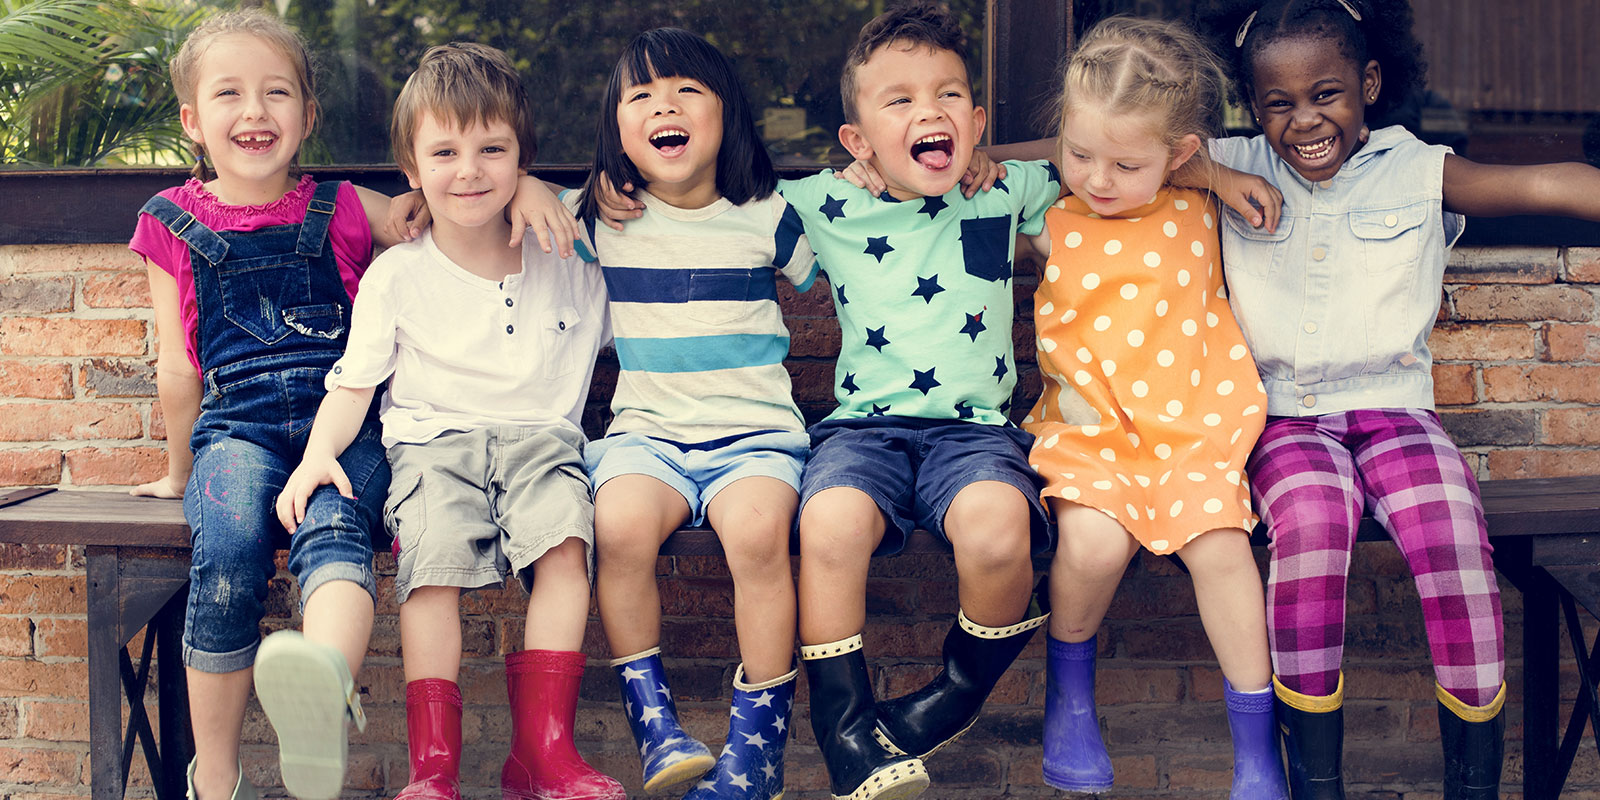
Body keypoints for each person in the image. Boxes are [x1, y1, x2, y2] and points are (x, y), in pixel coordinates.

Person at [1215, 1, 1600, 796]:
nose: (1304, 120)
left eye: (1326, 94)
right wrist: (1208, 171)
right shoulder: (1230, 160)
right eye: (1279, 103)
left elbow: (1541, 180)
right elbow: (1105, 147)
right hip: (1286, 421)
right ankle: (1316, 786)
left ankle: (1474, 786)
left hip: (1396, 413)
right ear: (1254, 107)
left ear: (1370, 83)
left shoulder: (1419, 167)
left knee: (1453, 537)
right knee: (1313, 530)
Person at [275, 42, 621, 800]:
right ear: (412, 172)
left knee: (566, 552)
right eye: (445, 152)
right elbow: (354, 385)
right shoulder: (398, 274)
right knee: (429, 576)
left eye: (493, 150)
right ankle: (434, 768)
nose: (469, 170)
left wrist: (544, 192)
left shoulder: (573, 249)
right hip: (432, 447)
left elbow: (645, 195)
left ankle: (545, 752)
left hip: (544, 441)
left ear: (522, 159)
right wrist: (316, 457)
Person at [127, 10, 412, 800]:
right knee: (225, 550)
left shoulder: (349, 207)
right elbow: (179, 366)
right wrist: (178, 469)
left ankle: (321, 691)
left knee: (336, 521)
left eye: (276, 92)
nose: (254, 112)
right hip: (238, 433)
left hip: (343, 425)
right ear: (193, 120)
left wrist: (521, 182)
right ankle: (214, 770)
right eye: (229, 94)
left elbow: (443, 209)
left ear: (308, 115)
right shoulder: (169, 223)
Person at [1012, 16, 1287, 798]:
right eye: (1078, 153)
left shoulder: (1197, 203)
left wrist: (1218, 181)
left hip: (1194, 434)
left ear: (1178, 156)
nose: (1097, 178)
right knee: (1093, 547)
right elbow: (982, 169)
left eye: (1126, 163)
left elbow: (1203, 170)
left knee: (1223, 551)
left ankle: (1257, 752)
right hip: (1091, 435)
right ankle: (1069, 698)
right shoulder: (1047, 214)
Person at [568, 27, 815, 800]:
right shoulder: (599, 220)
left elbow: (843, 239)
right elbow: (495, 192)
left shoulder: (769, 215)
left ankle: (756, 755)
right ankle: (657, 728)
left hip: (757, 440)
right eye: (639, 96)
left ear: (725, 115)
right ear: (616, 131)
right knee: (619, 528)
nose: (662, 106)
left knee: (756, 536)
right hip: (649, 436)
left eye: (685, 92)